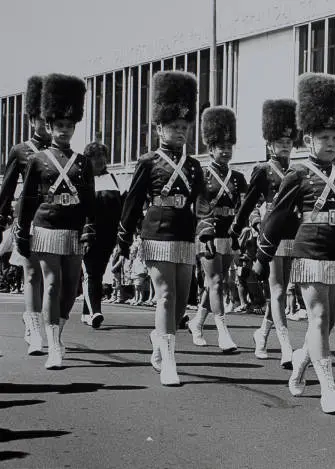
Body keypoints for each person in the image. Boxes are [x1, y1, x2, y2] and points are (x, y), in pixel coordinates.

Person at [253, 73, 335, 414]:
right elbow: (278, 216)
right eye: (324, 137)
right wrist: (262, 253)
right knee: (318, 315)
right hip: (308, 249)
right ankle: (328, 387)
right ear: (309, 139)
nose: (330, 143)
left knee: (330, 321)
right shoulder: (297, 174)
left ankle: (300, 362)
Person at [116, 71, 209, 386]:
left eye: (184, 128)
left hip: (184, 233)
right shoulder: (148, 161)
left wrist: (206, 230)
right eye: (174, 127)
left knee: (182, 300)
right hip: (156, 232)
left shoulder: (195, 165)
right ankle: (170, 362)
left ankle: (159, 338)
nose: (180, 132)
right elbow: (132, 200)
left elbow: (203, 203)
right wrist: (123, 235)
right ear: (159, 128)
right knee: (165, 295)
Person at [15, 74, 94, 370]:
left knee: (72, 287)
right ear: (49, 126)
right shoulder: (38, 160)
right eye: (59, 126)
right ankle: (53, 348)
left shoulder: (83, 162)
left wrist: (90, 228)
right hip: (46, 227)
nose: (64, 131)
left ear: (74, 128)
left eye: (68, 126)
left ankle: (57, 333)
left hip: (73, 228)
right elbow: (27, 200)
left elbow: (89, 199)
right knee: (51, 284)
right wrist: (22, 232)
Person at [231, 99, 299, 367]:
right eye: (279, 141)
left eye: (288, 141)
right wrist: (239, 227)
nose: (285, 145)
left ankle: (262, 333)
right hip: (271, 235)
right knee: (278, 292)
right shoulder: (263, 170)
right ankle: (285, 345)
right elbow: (248, 204)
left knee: (284, 291)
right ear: (270, 144)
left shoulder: (298, 170)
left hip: (292, 234)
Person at [187, 106, 246, 353]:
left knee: (215, 284)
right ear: (210, 148)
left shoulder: (238, 177)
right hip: (207, 234)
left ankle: (197, 323)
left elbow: (244, 205)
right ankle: (223, 333)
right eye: (220, 146)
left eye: (229, 146)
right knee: (216, 281)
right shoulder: (201, 174)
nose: (225, 150)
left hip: (228, 235)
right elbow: (196, 205)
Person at [0, 76, 50, 355]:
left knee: (53, 279)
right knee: (32, 274)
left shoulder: (62, 151)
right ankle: (34, 327)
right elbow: (7, 187)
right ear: (32, 120)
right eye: (41, 119)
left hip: (57, 217)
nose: (46, 124)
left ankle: (49, 322)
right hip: (28, 216)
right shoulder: (20, 150)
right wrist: (1, 216)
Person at [80, 142, 123, 328]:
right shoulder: (82, 180)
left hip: (109, 235)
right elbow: (80, 211)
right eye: (95, 156)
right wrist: (85, 234)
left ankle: (85, 312)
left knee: (97, 272)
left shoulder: (115, 179)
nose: (99, 160)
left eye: (102, 156)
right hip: (89, 235)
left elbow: (123, 208)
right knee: (91, 273)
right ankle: (95, 312)